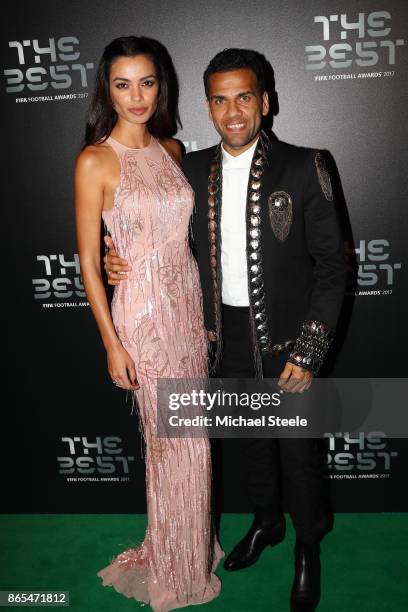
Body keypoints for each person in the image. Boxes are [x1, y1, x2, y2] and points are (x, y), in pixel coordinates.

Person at [104, 48, 347, 611]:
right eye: (219, 99)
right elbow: (162, 236)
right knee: (253, 444)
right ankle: (266, 523)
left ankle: (307, 545)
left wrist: (311, 349)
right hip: (220, 336)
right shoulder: (189, 169)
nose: (232, 111)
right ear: (208, 107)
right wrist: (121, 261)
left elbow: (334, 267)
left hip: (290, 340)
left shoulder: (306, 164)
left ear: (265, 101)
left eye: (243, 96)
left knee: (298, 451)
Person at [74, 36, 223, 612]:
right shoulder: (94, 159)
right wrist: (112, 344)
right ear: (105, 90)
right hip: (141, 313)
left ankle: (183, 546)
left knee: (194, 440)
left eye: (147, 82)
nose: (136, 96)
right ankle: (175, 569)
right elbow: (90, 260)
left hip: (186, 308)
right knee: (170, 444)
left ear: (161, 86)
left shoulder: (173, 149)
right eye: (122, 83)